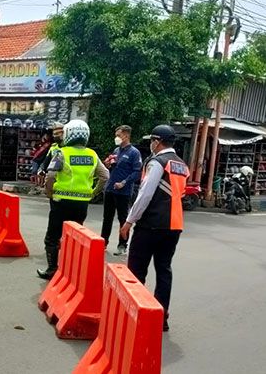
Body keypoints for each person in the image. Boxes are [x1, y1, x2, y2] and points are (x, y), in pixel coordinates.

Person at [119, 125, 189, 332]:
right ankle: (161, 317)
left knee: (136, 270)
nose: (151, 144)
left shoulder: (157, 162)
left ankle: (135, 314)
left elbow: (145, 194)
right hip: (174, 225)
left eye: (152, 140)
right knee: (164, 270)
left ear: (157, 142)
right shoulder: (181, 165)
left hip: (151, 225)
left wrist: (129, 220)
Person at [37, 120, 109, 280]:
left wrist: (49, 192)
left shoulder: (61, 153)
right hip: (81, 204)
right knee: (74, 236)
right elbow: (105, 176)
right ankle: (71, 269)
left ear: (68, 134)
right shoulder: (92, 154)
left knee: (53, 236)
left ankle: (52, 269)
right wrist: (92, 193)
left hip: (61, 202)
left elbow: (50, 175)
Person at [101, 125, 142, 255]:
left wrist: (124, 183)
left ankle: (122, 245)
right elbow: (112, 167)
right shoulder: (116, 150)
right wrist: (107, 165)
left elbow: (137, 172)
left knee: (123, 219)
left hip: (123, 191)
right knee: (107, 218)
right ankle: (103, 242)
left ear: (126, 135)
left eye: (118, 135)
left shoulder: (134, 153)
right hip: (110, 189)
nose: (116, 138)